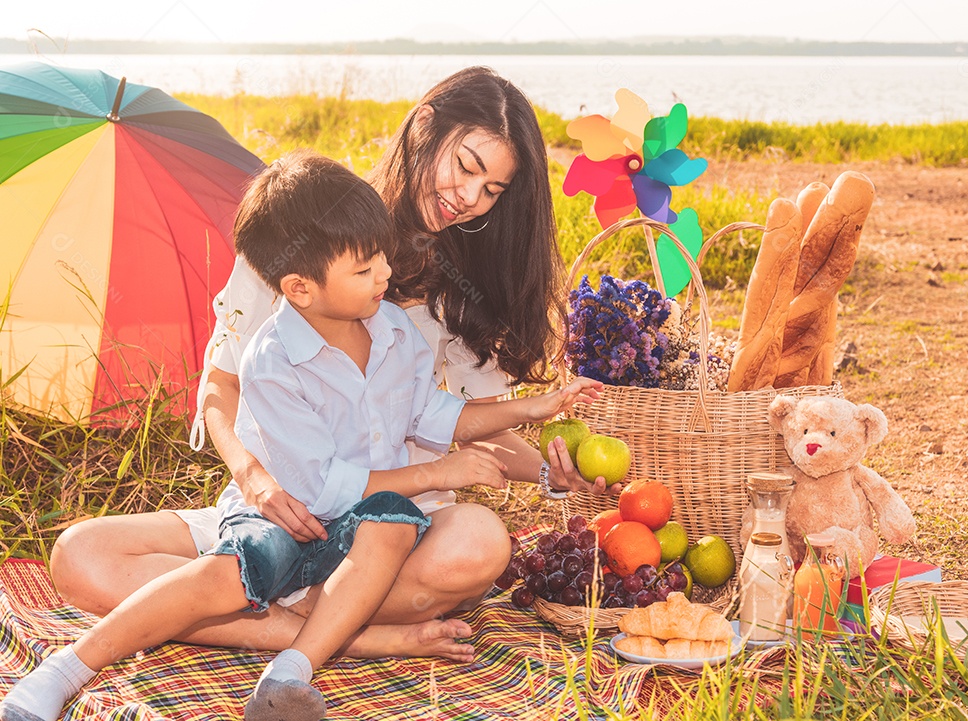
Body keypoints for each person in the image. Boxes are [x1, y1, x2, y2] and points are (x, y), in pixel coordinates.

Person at [0, 151, 601, 721]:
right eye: (366, 269)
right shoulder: (273, 359)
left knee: (392, 522)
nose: (386, 277)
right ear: (299, 288)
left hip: (363, 531)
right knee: (227, 572)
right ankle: (69, 667)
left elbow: (440, 416)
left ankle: (292, 667)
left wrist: (536, 407)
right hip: (288, 516)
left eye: (384, 260)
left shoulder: (392, 330)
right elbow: (321, 485)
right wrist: (438, 473)